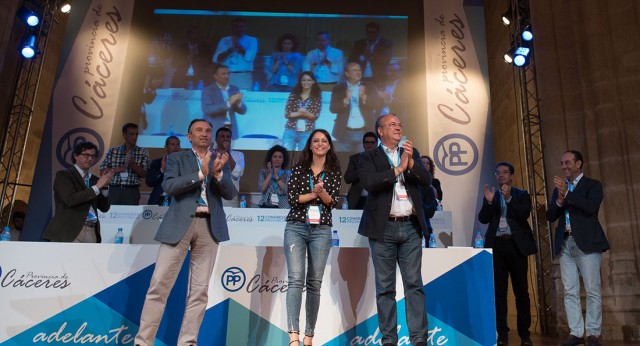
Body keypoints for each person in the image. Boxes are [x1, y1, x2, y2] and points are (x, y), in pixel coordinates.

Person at [134, 119, 236, 345]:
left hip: (210, 226)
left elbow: (229, 193)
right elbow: (169, 187)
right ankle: (143, 342)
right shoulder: (176, 158)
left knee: (199, 292)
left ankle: (188, 342)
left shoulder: (221, 160)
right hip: (179, 224)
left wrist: (218, 174)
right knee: (159, 286)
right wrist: (202, 174)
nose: (205, 134)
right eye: (199, 130)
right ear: (189, 136)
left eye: (208, 131)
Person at [357, 113, 431, 346]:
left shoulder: (411, 153)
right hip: (383, 228)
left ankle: (419, 340)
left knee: (414, 285)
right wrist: (398, 169)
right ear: (380, 131)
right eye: (392, 124)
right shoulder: (368, 157)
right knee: (385, 288)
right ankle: (389, 340)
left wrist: (410, 165)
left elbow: (426, 179)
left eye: (400, 124)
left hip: (410, 226)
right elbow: (370, 183)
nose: (398, 127)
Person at [546, 150, 610, 346]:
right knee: (570, 290)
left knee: (592, 289)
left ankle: (592, 333)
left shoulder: (592, 185)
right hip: (565, 243)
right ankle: (575, 333)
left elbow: (591, 207)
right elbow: (550, 216)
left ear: (578, 164)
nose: (564, 166)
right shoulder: (559, 189)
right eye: (562, 163)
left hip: (587, 243)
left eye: (567, 162)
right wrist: (558, 200)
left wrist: (568, 194)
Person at [284, 129, 341, 346]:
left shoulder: (334, 170)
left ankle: (309, 336)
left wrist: (322, 194)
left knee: (314, 282)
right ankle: (293, 336)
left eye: (324, 141)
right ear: (309, 145)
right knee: (295, 279)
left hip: (322, 229)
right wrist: (318, 193)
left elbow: (333, 201)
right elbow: (293, 199)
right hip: (296, 227)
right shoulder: (299, 168)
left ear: (329, 146)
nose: (319, 144)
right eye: (315, 141)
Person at [478, 162, 537, 346]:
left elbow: (523, 214)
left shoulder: (521, 194)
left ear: (511, 175)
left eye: (504, 172)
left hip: (516, 246)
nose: (501, 175)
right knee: (499, 293)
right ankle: (502, 334)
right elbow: (483, 218)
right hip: (497, 247)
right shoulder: (492, 195)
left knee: (522, 293)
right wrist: (488, 203)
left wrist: (510, 199)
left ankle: (524, 335)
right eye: (498, 173)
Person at [44, 141, 112, 243]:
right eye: (86, 155)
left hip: (91, 229)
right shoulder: (64, 175)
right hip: (69, 229)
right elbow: (71, 199)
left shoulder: (94, 180)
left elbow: (104, 208)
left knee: (90, 259)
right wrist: (97, 187)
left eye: (93, 156)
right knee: (66, 259)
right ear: (76, 156)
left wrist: (105, 187)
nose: (89, 159)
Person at [330, 62, 381, 152]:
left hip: (364, 133)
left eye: (359, 70)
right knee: (343, 162)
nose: (358, 72)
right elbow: (333, 108)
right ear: (347, 73)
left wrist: (364, 97)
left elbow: (377, 104)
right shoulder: (339, 88)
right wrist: (346, 99)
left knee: (363, 163)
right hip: (344, 134)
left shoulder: (369, 86)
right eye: (354, 70)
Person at [100, 123, 150, 205]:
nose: (135, 137)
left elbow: (144, 174)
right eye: (132, 134)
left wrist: (132, 164)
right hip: (114, 189)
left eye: (137, 134)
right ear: (124, 135)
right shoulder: (113, 151)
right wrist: (121, 168)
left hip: (131, 190)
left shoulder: (142, 152)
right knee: (112, 215)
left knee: (130, 216)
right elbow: (102, 172)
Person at [201, 63, 247, 140]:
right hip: (215, 130)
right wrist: (229, 103)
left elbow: (243, 111)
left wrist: (239, 103)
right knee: (213, 152)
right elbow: (207, 109)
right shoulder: (208, 90)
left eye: (228, 74)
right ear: (215, 76)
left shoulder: (234, 89)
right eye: (223, 74)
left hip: (231, 130)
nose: (227, 76)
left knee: (230, 152)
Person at [213, 17, 258, 91]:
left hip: (243, 76)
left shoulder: (252, 40)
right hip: (226, 75)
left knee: (243, 99)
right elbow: (217, 59)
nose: (239, 29)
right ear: (232, 28)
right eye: (236, 27)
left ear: (245, 27)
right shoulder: (224, 40)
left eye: (241, 27)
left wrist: (237, 44)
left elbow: (250, 57)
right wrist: (230, 50)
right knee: (225, 99)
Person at [282, 71, 322, 151]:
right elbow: (287, 114)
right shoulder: (293, 95)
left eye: (309, 80)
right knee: (286, 155)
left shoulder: (316, 97)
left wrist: (305, 113)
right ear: (300, 82)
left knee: (303, 158)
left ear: (313, 82)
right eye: (303, 80)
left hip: (307, 131)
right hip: (291, 130)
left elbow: (314, 116)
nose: (306, 82)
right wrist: (300, 113)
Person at [344, 131, 378, 209]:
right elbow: (347, 179)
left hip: (375, 199)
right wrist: (362, 168)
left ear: (376, 144)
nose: (369, 145)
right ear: (363, 144)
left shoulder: (382, 159)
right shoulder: (355, 158)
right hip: (357, 199)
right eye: (367, 142)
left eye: (372, 142)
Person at [213, 127, 244, 207]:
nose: (225, 139)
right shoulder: (210, 154)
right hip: (212, 195)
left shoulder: (238, 155)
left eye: (228, 137)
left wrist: (226, 152)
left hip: (229, 197)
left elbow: (237, 173)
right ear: (216, 139)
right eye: (222, 136)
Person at [146, 136, 181, 205]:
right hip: (158, 201)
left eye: (178, 145)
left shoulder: (184, 164)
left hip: (177, 202)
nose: (176, 147)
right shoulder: (157, 162)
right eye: (173, 145)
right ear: (166, 147)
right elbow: (149, 182)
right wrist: (162, 169)